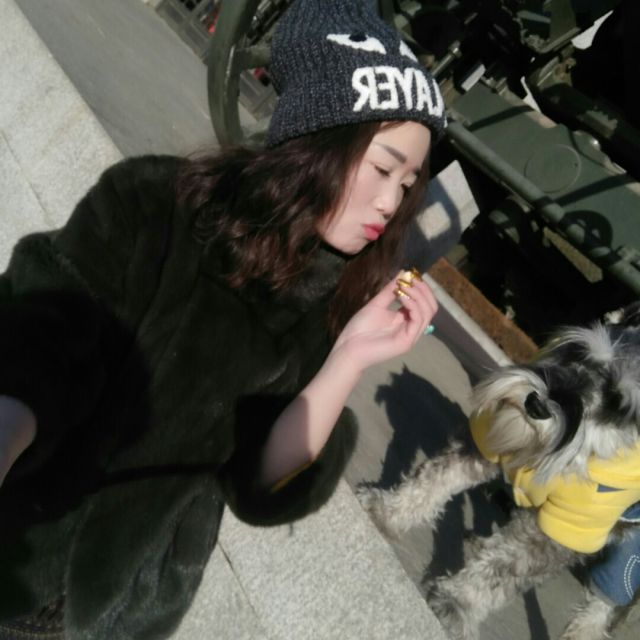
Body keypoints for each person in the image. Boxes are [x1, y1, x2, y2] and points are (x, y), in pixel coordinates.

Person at [0, 0, 446, 638]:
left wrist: (350, 356)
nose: (389, 203)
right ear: (318, 137)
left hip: (121, 614)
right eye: (382, 168)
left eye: (406, 186)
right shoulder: (154, 201)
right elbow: (40, 340)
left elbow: (259, 483)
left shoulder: (329, 301)